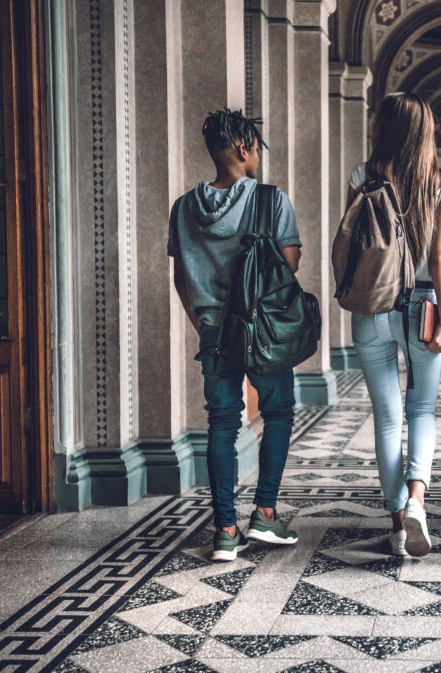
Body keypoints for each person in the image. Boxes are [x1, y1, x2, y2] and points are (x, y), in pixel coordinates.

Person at [169, 109, 302, 561]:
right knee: (278, 410)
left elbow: (181, 278)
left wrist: (204, 324)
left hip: (214, 332)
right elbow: (289, 267)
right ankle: (265, 514)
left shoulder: (184, 207)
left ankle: (226, 530)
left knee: (222, 424)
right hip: (264, 329)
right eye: (256, 149)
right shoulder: (271, 199)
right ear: (244, 147)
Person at [347, 92, 441, 557]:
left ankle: (397, 524)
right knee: (422, 410)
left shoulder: (361, 177)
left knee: (388, 417)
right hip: (424, 304)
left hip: (372, 304)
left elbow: (353, 240)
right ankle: (417, 499)